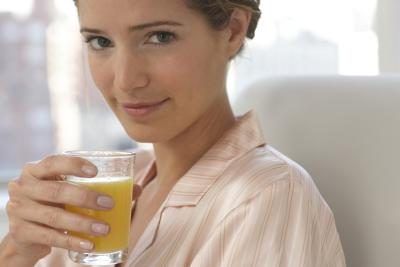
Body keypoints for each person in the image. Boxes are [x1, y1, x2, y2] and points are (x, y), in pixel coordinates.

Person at [0, 0, 346, 266]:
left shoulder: (266, 196)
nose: (125, 80)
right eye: (100, 41)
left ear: (233, 30)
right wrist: (17, 252)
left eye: (159, 37)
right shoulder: (99, 191)